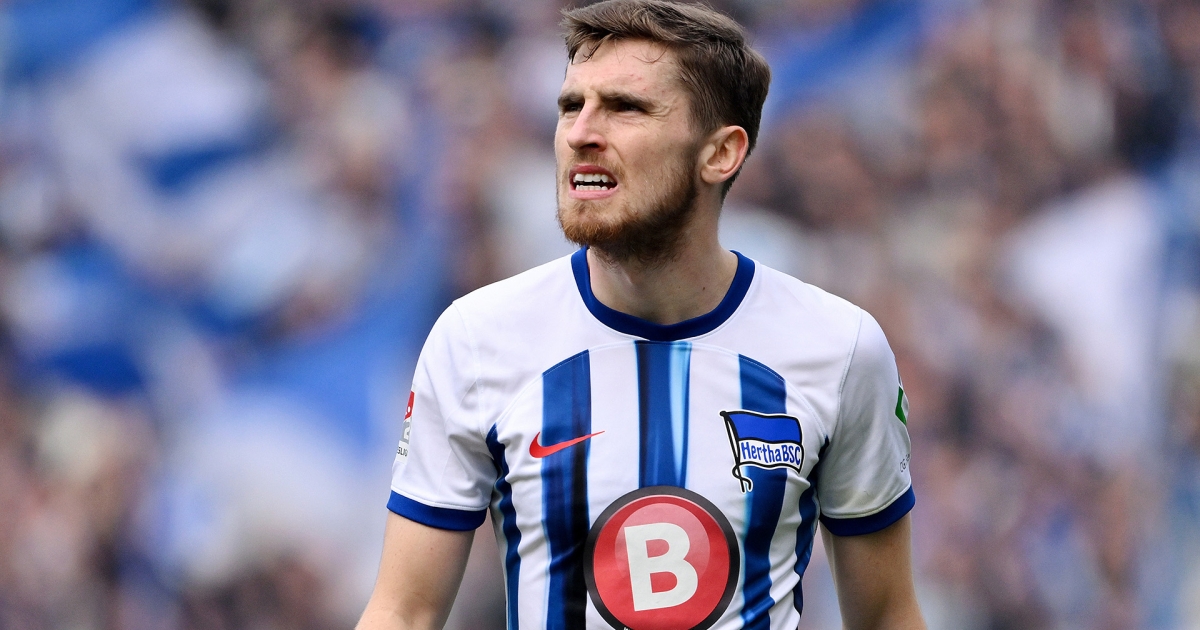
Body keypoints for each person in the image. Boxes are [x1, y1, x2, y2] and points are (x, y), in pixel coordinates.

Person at [357, 1, 925, 629]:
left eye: (625, 107)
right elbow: (403, 612)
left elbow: (887, 617)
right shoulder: (474, 338)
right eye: (570, 106)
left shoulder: (841, 347)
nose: (581, 133)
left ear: (721, 153)